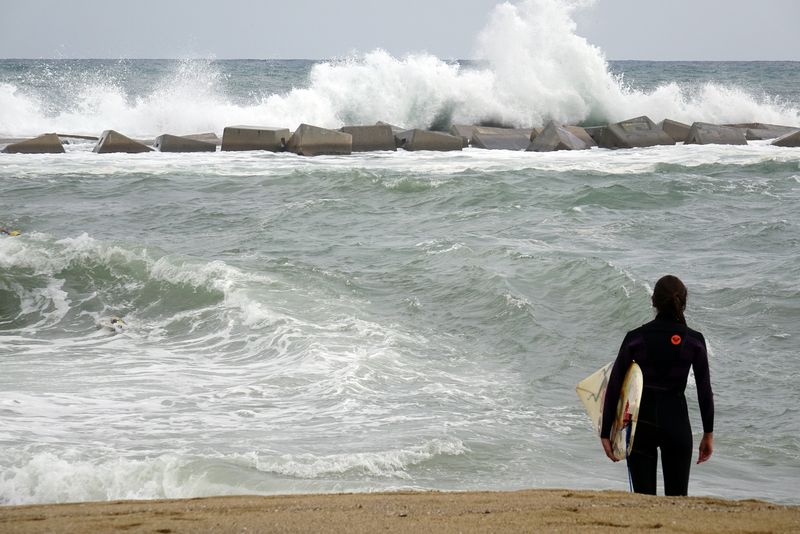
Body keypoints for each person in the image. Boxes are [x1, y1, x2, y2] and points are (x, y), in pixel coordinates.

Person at [600, 275, 714, 496]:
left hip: (642, 426)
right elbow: (704, 390)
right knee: (677, 501)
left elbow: (615, 385)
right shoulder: (694, 341)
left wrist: (606, 432)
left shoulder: (635, 338)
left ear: (654, 301)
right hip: (677, 426)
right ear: (683, 301)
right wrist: (708, 433)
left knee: (643, 502)